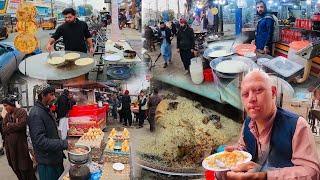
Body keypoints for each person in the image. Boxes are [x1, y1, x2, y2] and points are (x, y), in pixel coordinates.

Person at [219, 70, 320, 180]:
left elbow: (311, 172)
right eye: (245, 94)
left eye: (258, 91)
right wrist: (235, 155)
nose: (251, 99)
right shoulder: (249, 122)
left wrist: (265, 175)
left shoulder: (296, 125)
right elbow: (244, 149)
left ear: (272, 92)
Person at [28, 84, 69, 180]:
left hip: (54, 158)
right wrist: (63, 144)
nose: (54, 97)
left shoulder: (46, 109)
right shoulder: (36, 114)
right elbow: (40, 141)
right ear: (43, 95)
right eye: (51, 94)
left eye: (54, 95)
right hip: (47, 162)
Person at [1, 97, 36, 180]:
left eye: (6, 106)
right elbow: (3, 128)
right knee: (15, 167)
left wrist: (9, 125)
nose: (5, 108)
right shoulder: (7, 115)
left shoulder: (21, 112)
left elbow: (21, 125)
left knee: (25, 168)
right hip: (10, 149)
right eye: (4, 106)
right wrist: (13, 126)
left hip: (21, 147)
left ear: (12, 104)